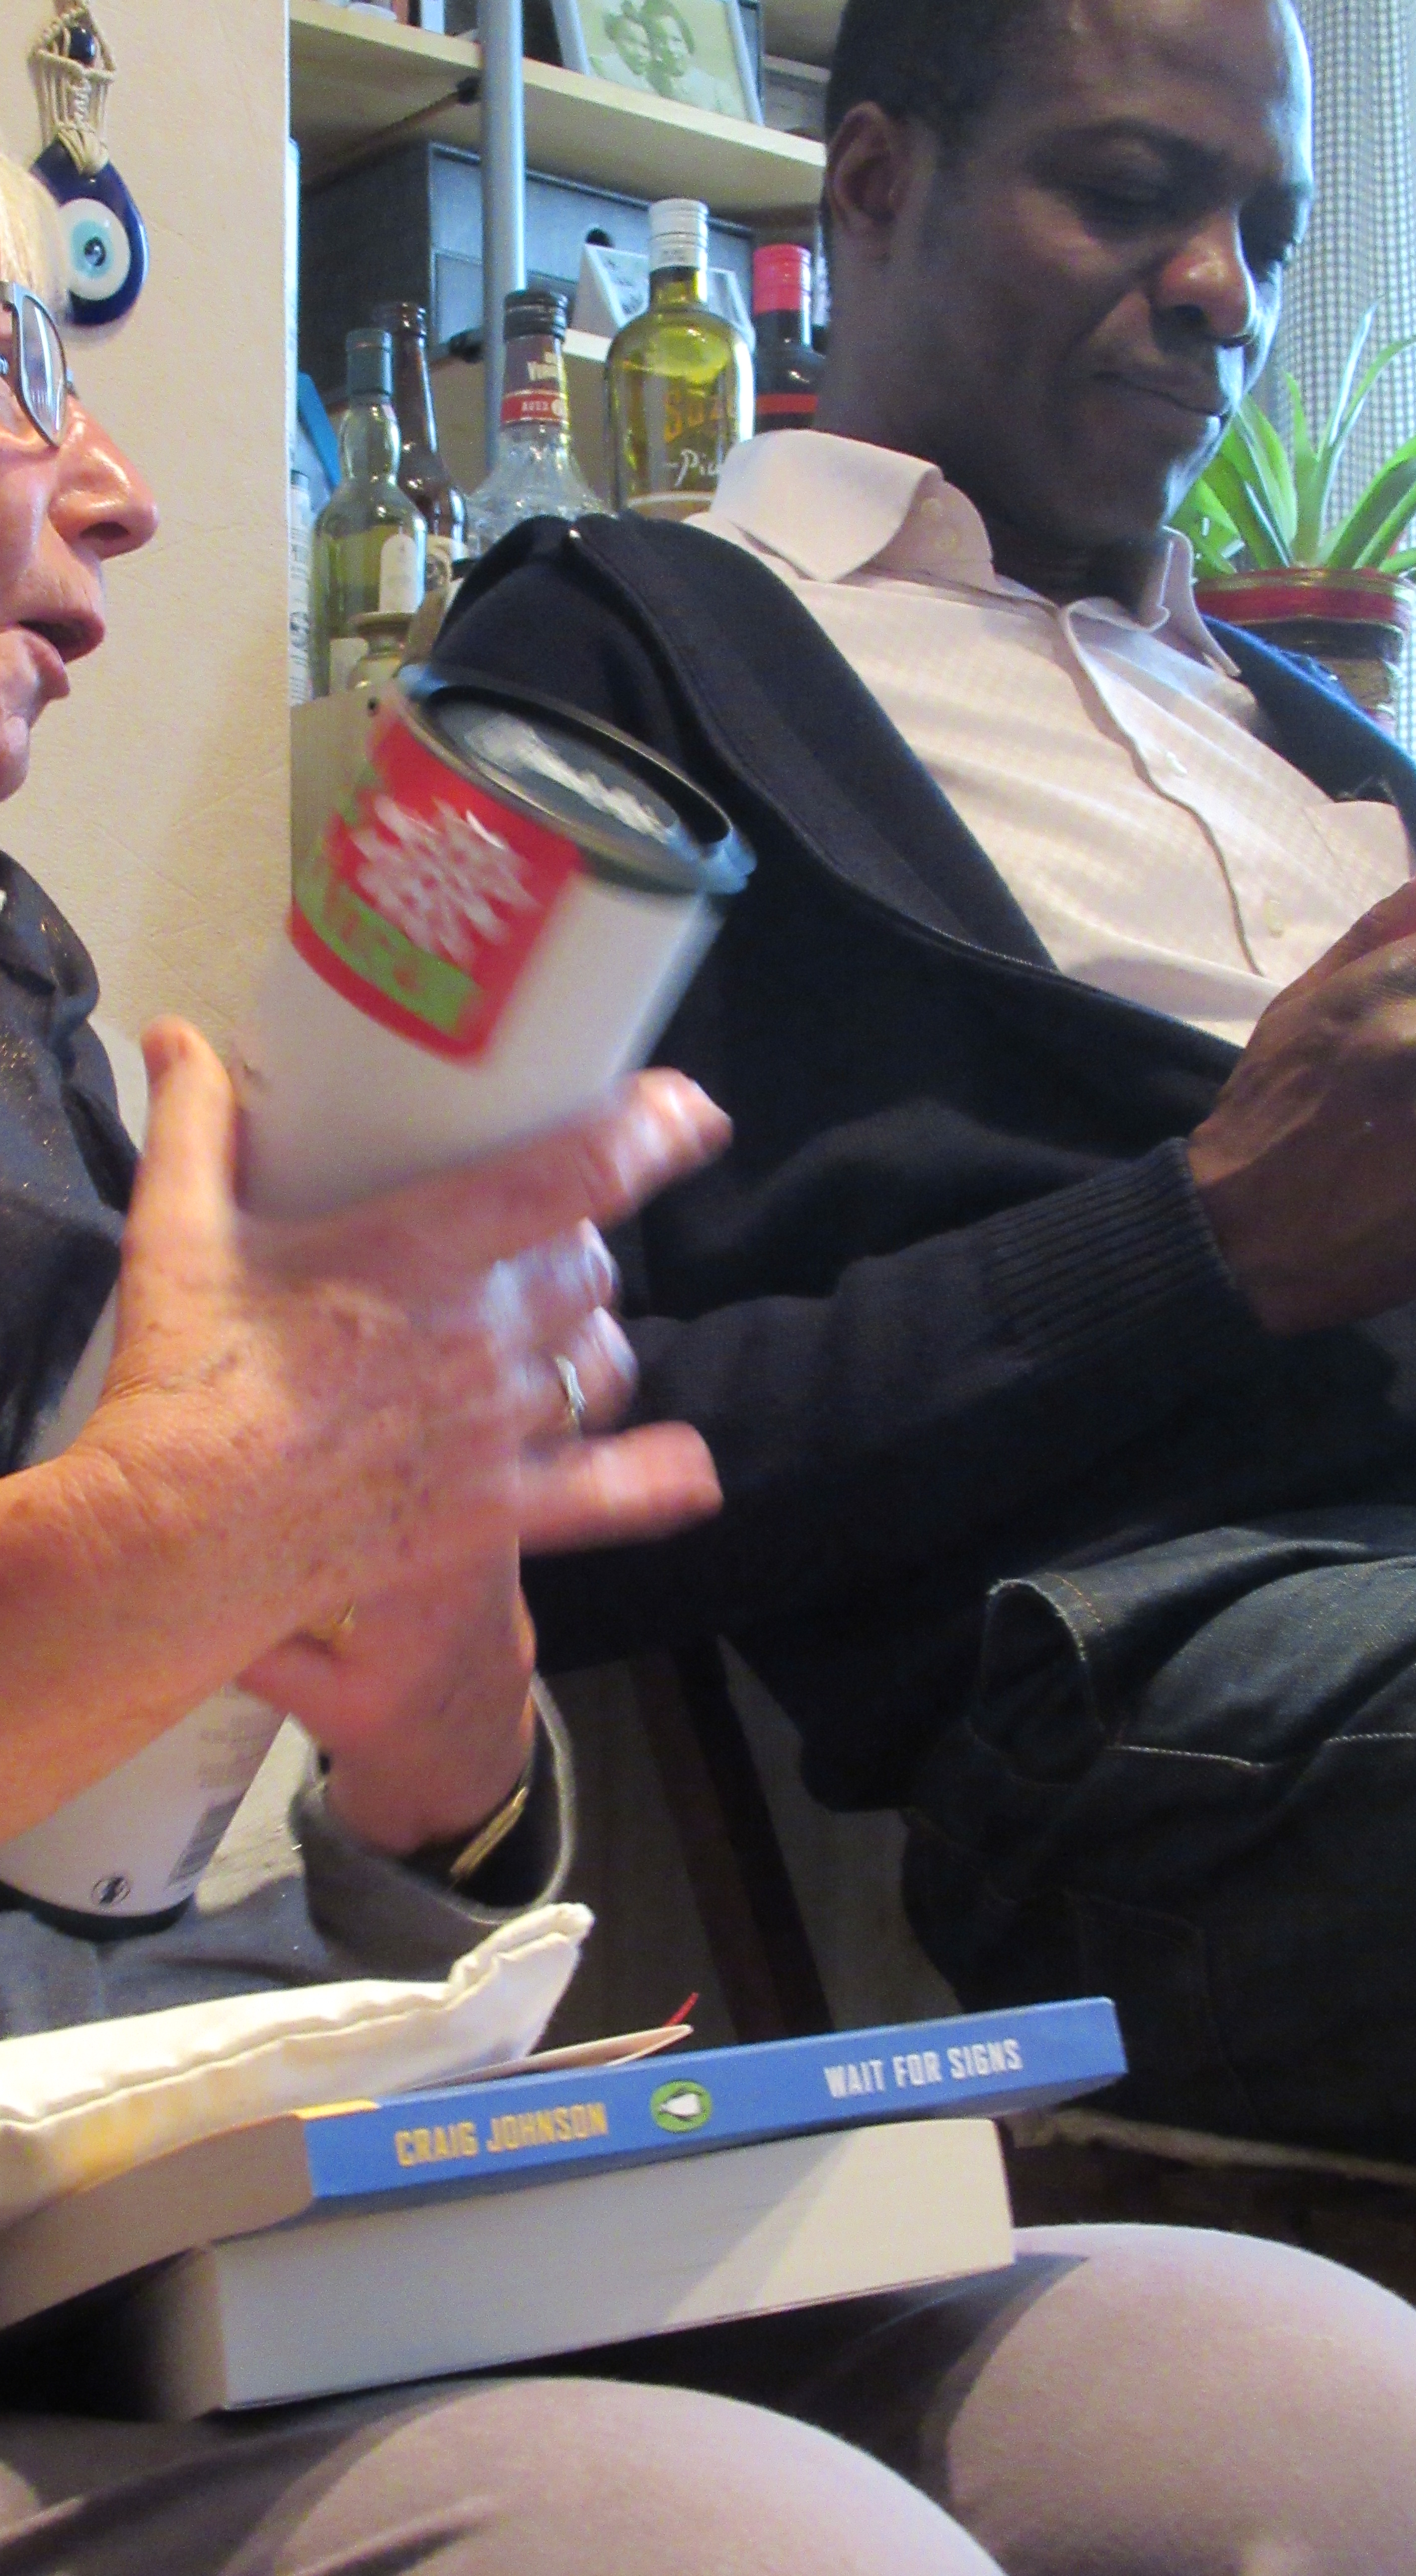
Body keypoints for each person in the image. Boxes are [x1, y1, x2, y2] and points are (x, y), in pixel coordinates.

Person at [0, 28, 1415, 2576]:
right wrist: (143, 1554)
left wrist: (437, 1769)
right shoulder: (620, 653)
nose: (128, 482)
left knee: (1319, 2399)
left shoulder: (7, 1046)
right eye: (14, 359)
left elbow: (228, 1920)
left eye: (1272, 232)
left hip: (149, 2245)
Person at [441, 0, 1416, 2163]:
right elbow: (440, 1467)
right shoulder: (604, 657)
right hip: (1151, 1683)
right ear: (873, 184)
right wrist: (1201, 1237)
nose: (1225, 294)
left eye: (1268, 233)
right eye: (1133, 193)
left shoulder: (1322, 737)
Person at [643, 1, 732, 112]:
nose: (671, 49)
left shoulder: (717, 91)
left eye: (676, 40)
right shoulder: (647, 82)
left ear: (687, 42)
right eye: (661, 41)